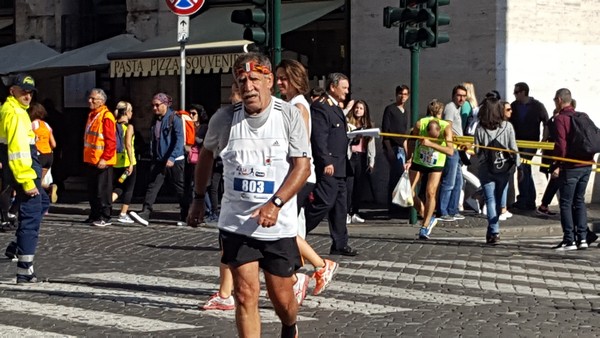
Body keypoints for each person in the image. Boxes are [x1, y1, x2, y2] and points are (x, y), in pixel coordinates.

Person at [187, 52, 310, 337]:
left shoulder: (289, 115)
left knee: (283, 301)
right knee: (244, 294)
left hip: (277, 226)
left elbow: (302, 168)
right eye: (242, 81)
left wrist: (275, 204)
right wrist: (197, 198)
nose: (248, 86)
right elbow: (206, 155)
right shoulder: (225, 119)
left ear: (269, 80)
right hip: (237, 223)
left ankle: (289, 327)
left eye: (254, 79)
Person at [276, 59, 339, 297]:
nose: (280, 82)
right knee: (283, 227)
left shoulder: (298, 106)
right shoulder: (290, 104)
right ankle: (305, 271)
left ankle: (319, 266)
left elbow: (299, 144)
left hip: (299, 174)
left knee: (282, 227)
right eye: (278, 77)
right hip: (294, 174)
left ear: (296, 79)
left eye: (284, 78)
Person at [0, 73, 49, 283]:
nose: (28, 96)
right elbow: (18, 152)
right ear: (13, 91)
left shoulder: (14, 110)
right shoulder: (15, 114)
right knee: (30, 215)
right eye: (24, 92)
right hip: (25, 171)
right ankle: (25, 269)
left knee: (43, 203)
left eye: (30, 93)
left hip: (26, 169)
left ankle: (18, 246)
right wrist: (27, 182)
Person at [305, 72, 358, 257]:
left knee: (340, 206)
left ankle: (340, 244)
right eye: (344, 88)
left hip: (341, 165)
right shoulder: (321, 107)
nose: (347, 91)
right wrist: (326, 160)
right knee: (324, 202)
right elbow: (319, 137)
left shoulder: (335, 107)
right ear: (333, 87)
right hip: (330, 165)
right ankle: (297, 231)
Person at [130, 93, 186, 226]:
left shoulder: (175, 119)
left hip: (175, 160)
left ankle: (186, 215)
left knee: (180, 188)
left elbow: (179, 140)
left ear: (165, 104)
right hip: (159, 160)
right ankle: (145, 213)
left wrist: (172, 157)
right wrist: (153, 156)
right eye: (153, 105)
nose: (154, 108)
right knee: (152, 186)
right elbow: (154, 140)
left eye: (157, 105)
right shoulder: (155, 120)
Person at [552, 88, 594, 251]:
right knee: (579, 201)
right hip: (586, 165)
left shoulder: (561, 119)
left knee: (566, 203)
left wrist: (558, 164)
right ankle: (582, 238)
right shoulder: (583, 116)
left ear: (559, 100)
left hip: (571, 166)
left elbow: (561, 145)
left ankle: (569, 239)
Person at [405, 100, 453, 240]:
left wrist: (431, 144)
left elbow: (450, 151)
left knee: (430, 192)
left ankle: (425, 226)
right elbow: (411, 140)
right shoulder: (421, 124)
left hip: (436, 161)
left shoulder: (446, 127)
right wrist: (409, 158)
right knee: (408, 192)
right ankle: (427, 214)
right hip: (420, 159)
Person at [474, 98, 520, 244]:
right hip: (504, 168)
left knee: (490, 200)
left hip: (486, 168)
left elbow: (477, 151)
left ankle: (493, 231)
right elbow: (513, 148)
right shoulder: (507, 126)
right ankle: (493, 230)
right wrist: (518, 166)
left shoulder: (480, 128)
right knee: (500, 199)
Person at [509, 82, 549, 210]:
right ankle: (529, 199)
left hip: (531, 143)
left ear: (523, 92)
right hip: (516, 143)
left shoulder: (537, 106)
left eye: (516, 92)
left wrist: (543, 139)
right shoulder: (514, 106)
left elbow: (546, 122)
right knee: (525, 169)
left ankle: (524, 199)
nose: (514, 95)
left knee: (523, 168)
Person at [83, 88, 116, 227]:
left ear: (101, 101)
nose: (89, 101)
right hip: (91, 159)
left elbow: (110, 140)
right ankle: (94, 214)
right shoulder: (92, 115)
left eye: (93, 99)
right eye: (89, 98)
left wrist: (105, 158)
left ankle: (105, 216)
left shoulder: (106, 116)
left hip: (102, 160)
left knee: (103, 191)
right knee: (93, 190)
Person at [381, 85, 411, 218]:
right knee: (395, 178)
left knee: (402, 178)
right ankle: (392, 208)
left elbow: (404, 135)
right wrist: (389, 150)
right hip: (393, 147)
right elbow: (385, 131)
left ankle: (401, 206)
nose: (402, 96)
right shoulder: (390, 109)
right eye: (400, 94)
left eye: (405, 94)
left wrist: (407, 152)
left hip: (402, 148)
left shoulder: (405, 111)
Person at [439, 85, 467, 222]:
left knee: (458, 182)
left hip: (457, 148)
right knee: (449, 181)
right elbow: (447, 126)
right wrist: (458, 141)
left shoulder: (458, 108)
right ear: (453, 96)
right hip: (452, 148)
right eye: (459, 95)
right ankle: (443, 211)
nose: (462, 98)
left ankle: (453, 209)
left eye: (464, 96)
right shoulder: (450, 107)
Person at [345, 100, 376, 224]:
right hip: (350, 156)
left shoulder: (368, 126)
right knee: (349, 186)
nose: (358, 110)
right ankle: (346, 212)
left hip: (362, 156)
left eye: (361, 108)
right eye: (356, 108)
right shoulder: (348, 123)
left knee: (359, 186)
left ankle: (355, 212)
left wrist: (371, 161)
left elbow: (371, 145)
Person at [111, 101, 137, 224]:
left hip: (116, 162)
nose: (132, 113)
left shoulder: (114, 125)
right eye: (131, 111)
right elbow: (128, 144)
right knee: (129, 188)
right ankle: (123, 213)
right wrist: (131, 163)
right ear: (126, 112)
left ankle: (106, 205)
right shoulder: (129, 127)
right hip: (127, 162)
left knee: (119, 186)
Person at [29, 102, 58, 203]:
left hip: (38, 155)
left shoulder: (32, 125)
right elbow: (54, 144)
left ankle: (41, 203)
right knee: (39, 181)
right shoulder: (46, 125)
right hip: (49, 156)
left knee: (34, 182)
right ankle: (49, 189)